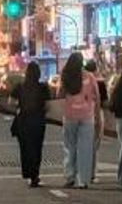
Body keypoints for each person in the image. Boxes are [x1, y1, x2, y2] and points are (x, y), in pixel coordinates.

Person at [59, 52, 99, 189]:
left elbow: (60, 94)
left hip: (70, 116)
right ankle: (83, 180)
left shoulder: (65, 76)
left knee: (69, 147)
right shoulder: (90, 76)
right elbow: (97, 96)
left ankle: (70, 176)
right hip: (87, 116)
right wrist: (97, 114)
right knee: (85, 148)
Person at [11, 62, 50, 188]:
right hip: (38, 120)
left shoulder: (20, 87)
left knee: (25, 148)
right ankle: (35, 174)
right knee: (37, 148)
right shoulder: (43, 87)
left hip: (23, 121)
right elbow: (48, 106)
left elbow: (11, 102)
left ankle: (28, 172)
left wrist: (19, 106)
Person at [84, 60, 107, 183]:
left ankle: (82, 171)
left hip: (82, 113)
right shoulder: (100, 83)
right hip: (96, 113)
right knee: (94, 145)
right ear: (96, 69)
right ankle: (91, 173)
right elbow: (105, 102)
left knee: (83, 144)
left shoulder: (82, 82)